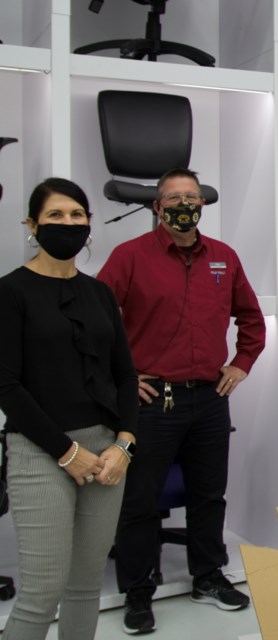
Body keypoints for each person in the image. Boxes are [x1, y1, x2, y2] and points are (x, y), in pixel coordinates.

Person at [98, 168, 266, 635]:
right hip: (154, 403)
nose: (183, 204)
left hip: (210, 399)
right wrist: (123, 379)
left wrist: (241, 364)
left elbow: (252, 320)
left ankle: (208, 577)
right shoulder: (129, 257)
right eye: (173, 198)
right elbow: (94, 322)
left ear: (203, 204)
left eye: (191, 196)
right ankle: (137, 591)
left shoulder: (224, 258)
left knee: (209, 495)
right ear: (157, 207)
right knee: (139, 501)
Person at [0, 178, 138, 640]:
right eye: (56, 215)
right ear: (31, 225)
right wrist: (65, 452)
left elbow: (124, 375)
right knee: (42, 594)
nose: (68, 223)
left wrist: (124, 443)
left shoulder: (98, 293)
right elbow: (6, 384)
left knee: (84, 588)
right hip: (40, 452)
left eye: (77, 215)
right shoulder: (11, 292)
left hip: (105, 453)